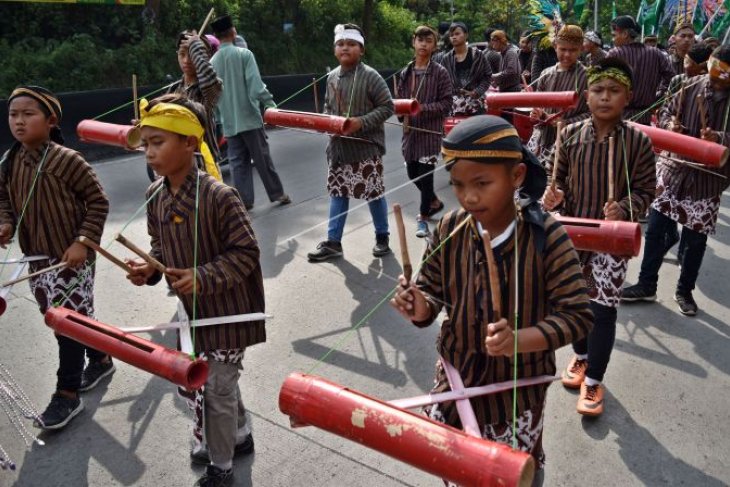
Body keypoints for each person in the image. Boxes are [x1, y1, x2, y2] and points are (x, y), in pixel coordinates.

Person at [391, 115, 592, 475]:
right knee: (457, 468)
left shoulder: (547, 237)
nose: (469, 196)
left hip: (515, 393)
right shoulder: (450, 227)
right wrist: (419, 305)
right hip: (457, 376)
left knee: (509, 475)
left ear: (516, 177)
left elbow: (577, 316)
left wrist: (519, 340)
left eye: (482, 183)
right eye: (457, 185)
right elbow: (431, 292)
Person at [127, 95, 265, 487]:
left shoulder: (221, 196)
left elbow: (247, 253)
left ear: (190, 143)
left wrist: (202, 276)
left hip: (228, 309)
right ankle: (238, 435)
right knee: (214, 383)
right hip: (190, 313)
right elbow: (159, 249)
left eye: (158, 142)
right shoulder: (155, 196)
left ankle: (221, 468)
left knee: (217, 386)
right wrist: (149, 271)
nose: (149, 152)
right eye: (146, 143)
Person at [543, 57, 656, 416]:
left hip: (610, 241)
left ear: (628, 97)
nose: (605, 97)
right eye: (598, 90)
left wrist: (624, 207)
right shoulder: (569, 134)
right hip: (573, 236)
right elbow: (555, 177)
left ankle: (594, 381)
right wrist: (554, 193)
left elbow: (646, 191)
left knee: (602, 311)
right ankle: (580, 357)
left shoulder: (637, 142)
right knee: (574, 304)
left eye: (614, 91)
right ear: (586, 96)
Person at [0, 86, 111, 430]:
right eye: (13, 114)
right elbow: (3, 197)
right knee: (60, 316)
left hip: (71, 258)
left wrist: (82, 242)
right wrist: (5, 222)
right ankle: (100, 357)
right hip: (36, 259)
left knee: (68, 322)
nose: (18, 121)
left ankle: (67, 393)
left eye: (28, 114)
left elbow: (98, 202)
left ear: (50, 121)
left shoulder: (67, 160)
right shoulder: (9, 161)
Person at [622, 46, 730, 316]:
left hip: (707, 180)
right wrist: (671, 126)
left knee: (695, 240)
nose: (715, 82)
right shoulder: (688, 85)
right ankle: (647, 284)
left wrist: (720, 139)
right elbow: (668, 112)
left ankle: (684, 291)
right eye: (713, 75)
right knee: (656, 231)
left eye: (722, 79)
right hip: (673, 170)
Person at [306, 24, 395, 262]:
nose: (345, 47)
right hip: (338, 149)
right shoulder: (332, 76)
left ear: (361, 49)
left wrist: (361, 122)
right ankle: (333, 242)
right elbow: (328, 107)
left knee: (373, 194)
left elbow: (388, 107)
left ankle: (382, 237)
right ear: (335, 49)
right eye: (340, 44)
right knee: (338, 193)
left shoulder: (371, 76)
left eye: (351, 44)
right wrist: (326, 123)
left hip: (366, 147)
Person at [210, 14, 290, 210]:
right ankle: (278, 194)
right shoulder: (244, 54)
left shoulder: (211, 63)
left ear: (216, 36)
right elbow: (255, 87)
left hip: (229, 122)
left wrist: (220, 117)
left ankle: (244, 200)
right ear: (233, 31)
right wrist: (270, 104)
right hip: (250, 119)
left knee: (238, 163)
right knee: (262, 158)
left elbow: (212, 96)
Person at [396, 25, 452, 238]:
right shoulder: (406, 72)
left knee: (425, 175)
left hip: (430, 132)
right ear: (413, 42)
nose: (423, 44)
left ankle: (423, 217)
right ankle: (434, 201)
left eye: (428, 41)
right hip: (410, 131)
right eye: (420, 40)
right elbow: (399, 98)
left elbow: (446, 103)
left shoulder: (440, 72)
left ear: (434, 46)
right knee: (412, 172)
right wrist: (402, 112)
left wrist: (421, 108)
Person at [528, 25, 589, 163]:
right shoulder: (545, 74)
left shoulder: (587, 76)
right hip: (545, 142)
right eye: (563, 49)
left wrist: (566, 122)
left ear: (581, 49)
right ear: (555, 46)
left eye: (573, 50)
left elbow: (592, 113)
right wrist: (538, 115)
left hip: (573, 142)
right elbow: (538, 108)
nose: (567, 54)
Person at [169, 30, 223, 179]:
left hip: (205, 166)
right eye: (182, 54)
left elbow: (207, 76)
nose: (186, 60)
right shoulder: (173, 90)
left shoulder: (211, 88)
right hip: (177, 166)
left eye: (192, 55)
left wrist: (195, 46)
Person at [607, 15, 674, 124]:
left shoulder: (614, 54)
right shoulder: (655, 53)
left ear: (625, 34)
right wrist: (659, 98)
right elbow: (672, 77)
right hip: (645, 117)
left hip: (619, 117)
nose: (612, 39)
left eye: (614, 35)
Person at [438, 22, 492, 115]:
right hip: (454, 106)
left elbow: (487, 76)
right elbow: (441, 81)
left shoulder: (478, 55)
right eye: (451, 35)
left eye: (457, 34)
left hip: (476, 104)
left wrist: (477, 92)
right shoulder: (446, 58)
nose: (454, 37)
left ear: (466, 35)